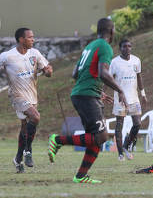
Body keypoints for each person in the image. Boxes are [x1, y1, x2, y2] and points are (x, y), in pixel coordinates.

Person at [48, 18, 126, 184]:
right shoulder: (105, 46)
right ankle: (58, 140)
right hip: (86, 96)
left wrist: (97, 91)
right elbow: (104, 73)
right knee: (101, 136)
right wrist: (120, 91)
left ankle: (81, 176)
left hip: (86, 94)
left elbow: (75, 73)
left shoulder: (90, 46)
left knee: (96, 137)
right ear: (112, 31)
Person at [0, 28, 52, 173]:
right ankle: (28, 151)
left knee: (25, 128)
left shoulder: (35, 53)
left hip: (32, 95)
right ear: (21, 39)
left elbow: (47, 69)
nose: (33, 40)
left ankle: (17, 159)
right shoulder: (7, 56)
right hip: (17, 95)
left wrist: (48, 71)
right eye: (30, 37)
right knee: (35, 116)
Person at [109, 39, 147, 161]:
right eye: (124, 46)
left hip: (133, 98)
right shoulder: (114, 62)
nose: (127, 48)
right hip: (120, 99)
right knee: (119, 124)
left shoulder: (136, 60)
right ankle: (120, 153)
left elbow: (139, 76)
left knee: (137, 123)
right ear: (120, 48)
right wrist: (102, 92)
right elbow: (108, 78)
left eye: (129, 46)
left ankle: (126, 146)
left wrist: (143, 93)